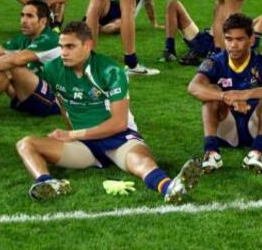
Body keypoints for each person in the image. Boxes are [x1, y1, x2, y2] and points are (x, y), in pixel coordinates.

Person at [14, 21, 204, 203]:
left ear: (88, 45)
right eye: (61, 46)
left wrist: (71, 134)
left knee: (141, 161)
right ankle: (47, 183)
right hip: (85, 146)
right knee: (26, 144)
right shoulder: (53, 70)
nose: (63, 52)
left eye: (70, 47)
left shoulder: (110, 71)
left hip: (119, 139)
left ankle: (170, 188)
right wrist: (72, 134)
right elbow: (63, 103)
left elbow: (119, 123)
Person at [187, 13, 262, 175]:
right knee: (211, 91)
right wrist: (225, 97)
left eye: (239, 39)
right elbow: (193, 87)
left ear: (251, 40)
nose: (233, 45)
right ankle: (212, 152)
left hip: (255, 127)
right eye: (229, 39)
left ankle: (257, 152)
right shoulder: (216, 62)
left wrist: (244, 95)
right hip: (226, 130)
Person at [159, 0, 262, 65]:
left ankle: (171, 50)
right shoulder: (246, 37)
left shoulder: (247, 44)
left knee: (220, 5)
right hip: (202, 39)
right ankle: (170, 51)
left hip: (216, 47)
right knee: (173, 4)